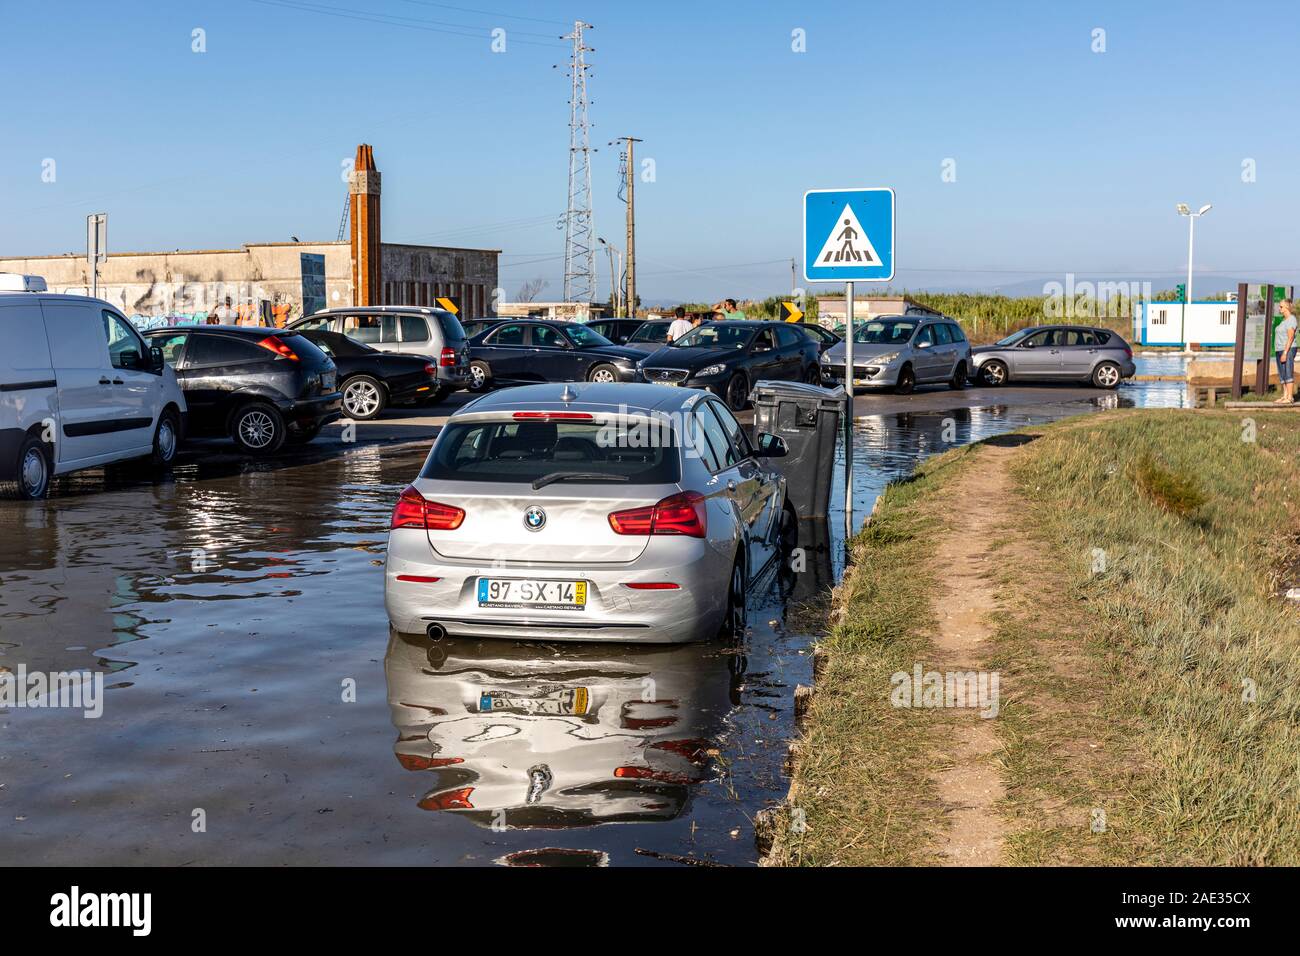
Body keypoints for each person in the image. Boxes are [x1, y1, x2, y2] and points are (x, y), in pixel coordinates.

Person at [1274, 298, 1298, 404]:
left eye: (1281, 306)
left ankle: (1290, 397)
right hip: (1279, 349)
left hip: (1287, 349)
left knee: (1288, 372)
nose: (1279, 308)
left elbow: (1291, 337)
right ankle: (1285, 396)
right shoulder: (1284, 320)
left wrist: (1285, 352)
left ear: (1287, 307)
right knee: (1282, 373)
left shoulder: (1291, 319)